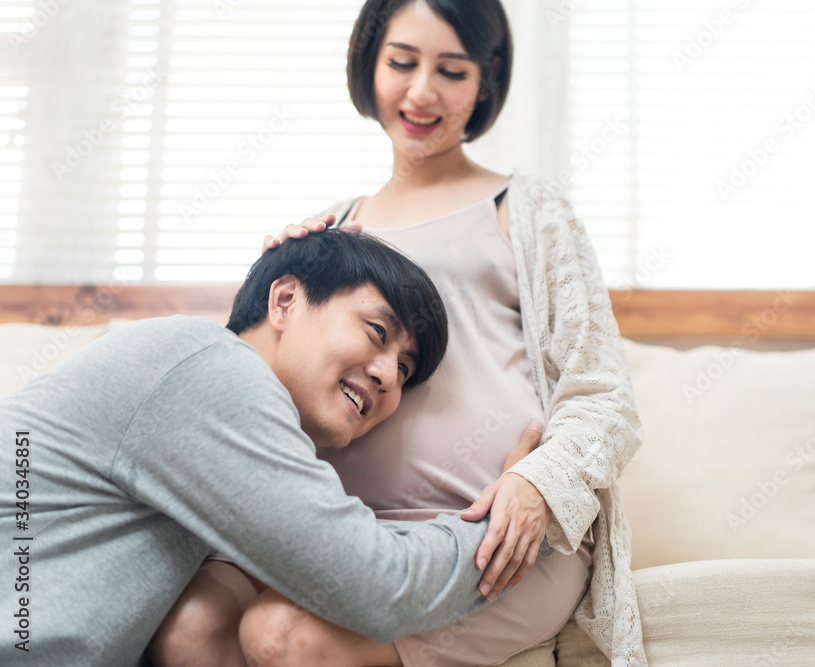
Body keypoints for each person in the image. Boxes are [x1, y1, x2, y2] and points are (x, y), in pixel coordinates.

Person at [250, 1, 646, 665]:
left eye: (452, 71)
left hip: (499, 544)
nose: (422, 91)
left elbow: (605, 395)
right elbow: (252, 382)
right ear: (370, 63)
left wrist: (540, 484)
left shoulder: (529, 209)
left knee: (282, 637)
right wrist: (273, 289)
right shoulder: (329, 231)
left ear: (486, 80)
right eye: (402, 63)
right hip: (348, 541)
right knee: (204, 626)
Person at [0, 229, 531, 667]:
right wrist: (525, 509)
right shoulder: (208, 368)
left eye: (406, 367)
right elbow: (378, 586)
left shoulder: (205, 399)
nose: (388, 374)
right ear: (285, 300)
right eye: (376, 332)